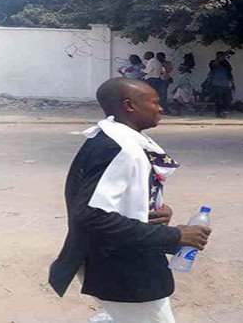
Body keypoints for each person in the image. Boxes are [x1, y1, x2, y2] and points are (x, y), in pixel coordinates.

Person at [48, 78, 212, 323]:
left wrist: (154, 210)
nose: (161, 108)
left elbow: (107, 202)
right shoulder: (118, 148)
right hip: (121, 269)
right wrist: (174, 237)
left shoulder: (119, 141)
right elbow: (91, 216)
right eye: (154, 102)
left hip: (126, 261)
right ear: (129, 106)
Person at [208, 51, 235, 118]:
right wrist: (223, 55)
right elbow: (215, 64)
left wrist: (232, 83)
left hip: (225, 85)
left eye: (221, 56)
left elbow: (229, 74)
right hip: (216, 84)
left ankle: (224, 112)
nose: (220, 58)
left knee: (227, 99)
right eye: (218, 56)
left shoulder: (226, 64)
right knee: (218, 100)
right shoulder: (212, 62)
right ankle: (218, 113)